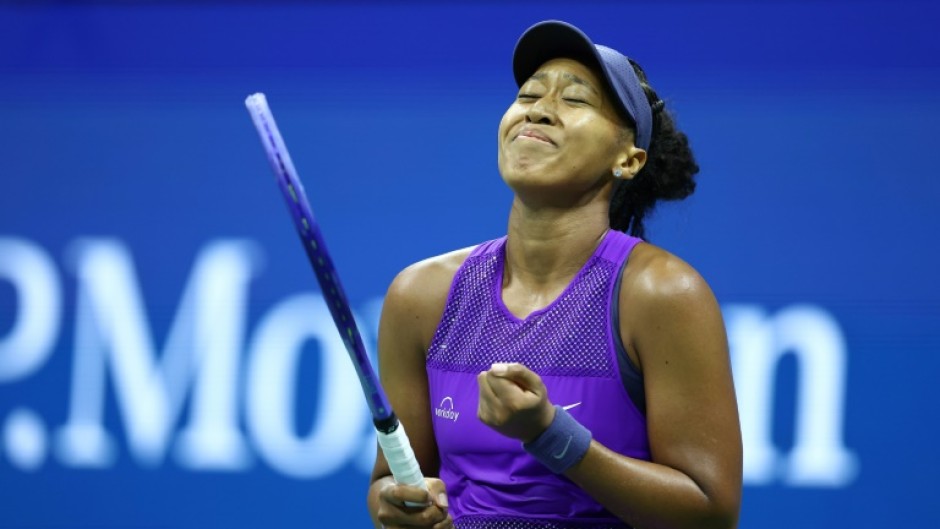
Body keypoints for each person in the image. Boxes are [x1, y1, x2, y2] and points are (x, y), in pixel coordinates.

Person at [367, 20, 742, 529]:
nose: (539, 108)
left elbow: (711, 513)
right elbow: (391, 480)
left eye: (577, 100)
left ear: (628, 159)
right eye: (529, 93)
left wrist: (549, 433)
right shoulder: (421, 295)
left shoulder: (661, 295)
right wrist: (395, 504)